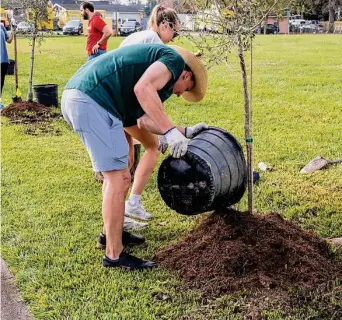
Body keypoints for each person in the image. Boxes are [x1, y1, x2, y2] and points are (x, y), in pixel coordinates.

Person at [61, 43, 208, 270]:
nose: (180, 94)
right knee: (118, 179)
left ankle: (112, 234)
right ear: (186, 75)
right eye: (186, 89)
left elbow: (143, 121)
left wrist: (184, 131)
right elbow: (143, 89)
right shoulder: (173, 60)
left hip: (87, 98)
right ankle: (114, 255)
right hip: (91, 99)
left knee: (120, 174)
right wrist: (169, 131)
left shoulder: (156, 76)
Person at [96, 5, 186, 234]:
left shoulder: (141, 36)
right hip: (120, 104)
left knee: (124, 163)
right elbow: (144, 89)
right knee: (150, 149)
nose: (173, 39)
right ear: (165, 25)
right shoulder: (153, 42)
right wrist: (167, 130)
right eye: (174, 33)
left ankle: (121, 216)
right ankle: (131, 205)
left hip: (118, 101)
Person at [0, 22, 13, 96]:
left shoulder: (1, 26)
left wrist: (13, 31)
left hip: (3, 60)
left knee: (1, 83)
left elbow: (9, 40)